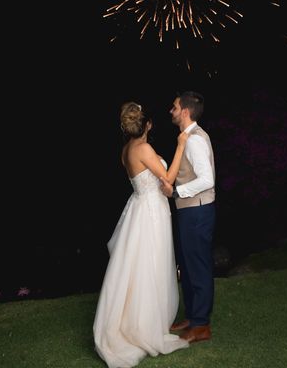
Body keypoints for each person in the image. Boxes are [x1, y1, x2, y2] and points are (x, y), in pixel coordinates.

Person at [93, 101, 190, 368]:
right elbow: (168, 177)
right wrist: (181, 145)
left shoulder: (127, 149)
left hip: (139, 206)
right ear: (148, 124)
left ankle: (140, 319)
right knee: (150, 264)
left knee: (138, 267)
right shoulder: (144, 148)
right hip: (150, 211)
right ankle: (144, 326)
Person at [159, 91, 216, 343]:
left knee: (198, 266)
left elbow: (207, 180)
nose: (170, 111)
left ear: (185, 111)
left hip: (198, 210)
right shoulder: (188, 137)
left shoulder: (194, 140)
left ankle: (201, 325)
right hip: (191, 210)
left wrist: (176, 191)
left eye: (174, 107)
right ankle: (193, 317)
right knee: (188, 264)